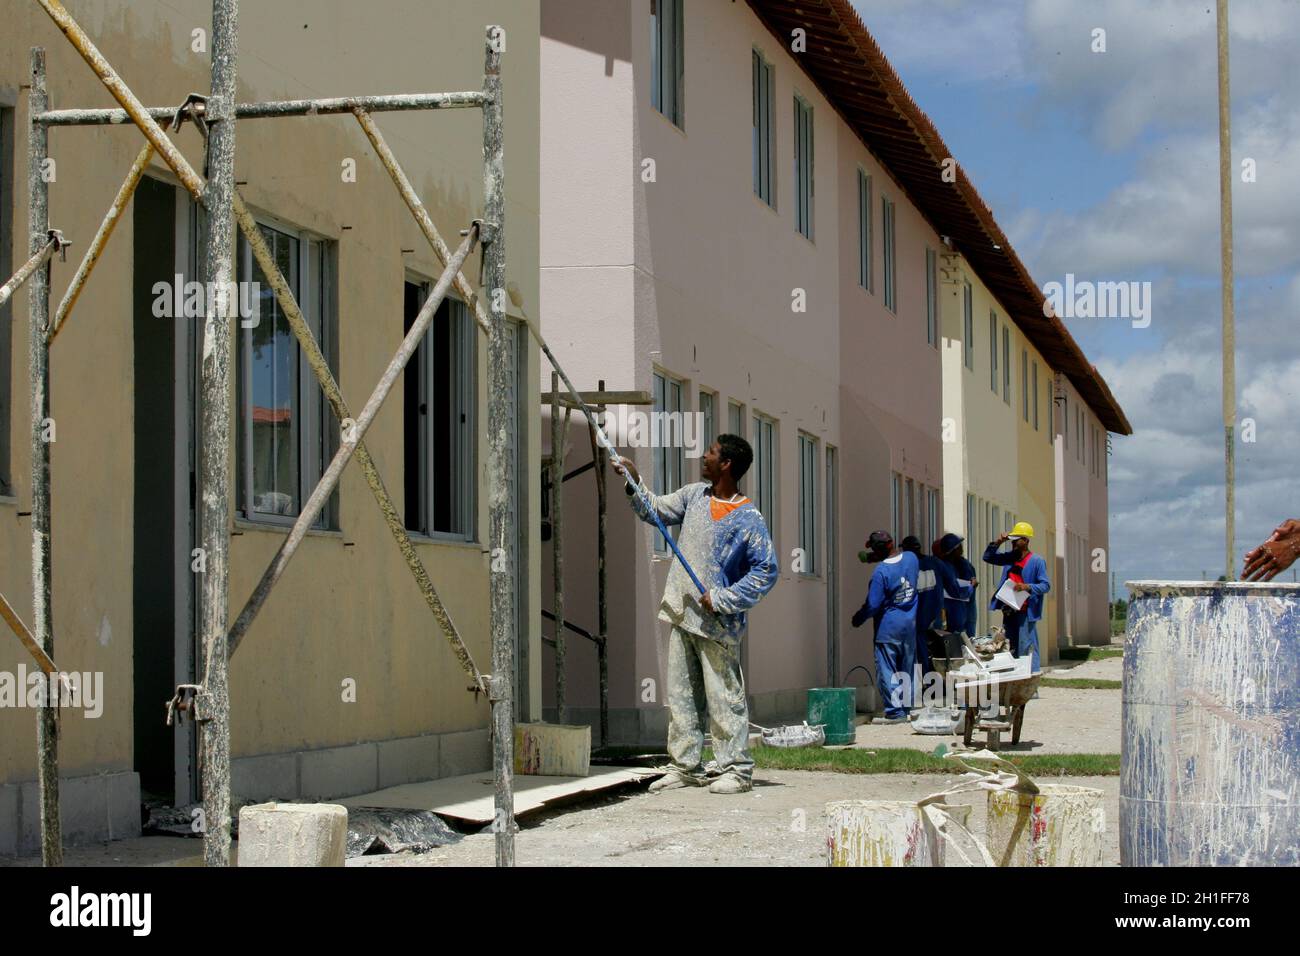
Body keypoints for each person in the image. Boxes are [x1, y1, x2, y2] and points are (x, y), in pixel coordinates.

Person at [612, 434, 777, 795]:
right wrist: (633, 480)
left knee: (724, 698)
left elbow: (766, 570)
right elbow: (652, 510)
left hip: (718, 623)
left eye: (712, 452)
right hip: (681, 611)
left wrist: (724, 598)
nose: (704, 455)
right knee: (682, 697)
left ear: (727, 464)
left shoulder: (748, 517)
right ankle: (685, 766)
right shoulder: (693, 496)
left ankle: (736, 768)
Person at [850, 531, 918, 724]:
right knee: (907, 669)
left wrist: (858, 618)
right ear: (892, 542)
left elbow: (873, 605)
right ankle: (906, 708)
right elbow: (896, 561)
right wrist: (874, 557)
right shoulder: (911, 559)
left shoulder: (880, 573)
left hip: (888, 629)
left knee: (887, 669)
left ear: (876, 550)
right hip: (909, 626)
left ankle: (895, 712)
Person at [982, 522, 1051, 672]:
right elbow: (988, 557)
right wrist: (998, 542)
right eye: (1012, 540)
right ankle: (1014, 682)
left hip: (1025, 612)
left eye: (1017, 540)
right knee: (1010, 647)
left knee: (1027, 647)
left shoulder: (1037, 561)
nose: (1014, 543)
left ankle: (1030, 684)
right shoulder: (1010, 558)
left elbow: (1045, 585)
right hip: (1009, 610)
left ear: (1026, 541)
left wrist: (1027, 587)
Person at [901, 535, 959, 675]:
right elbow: (954, 588)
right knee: (937, 651)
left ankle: (923, 683)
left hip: (915, 621)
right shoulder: (935, 563)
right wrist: (969, 588)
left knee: (917, 654)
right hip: (934, 619)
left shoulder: (904, 568)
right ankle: (939, 681)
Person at [938, 533, 978, 637]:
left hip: (967, 614)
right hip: (954, 617)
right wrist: (971, 587)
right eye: (959, 546)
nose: (962, 548)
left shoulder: (964, 564)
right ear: (954, 550)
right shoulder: (945, 567)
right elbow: (957, 591)